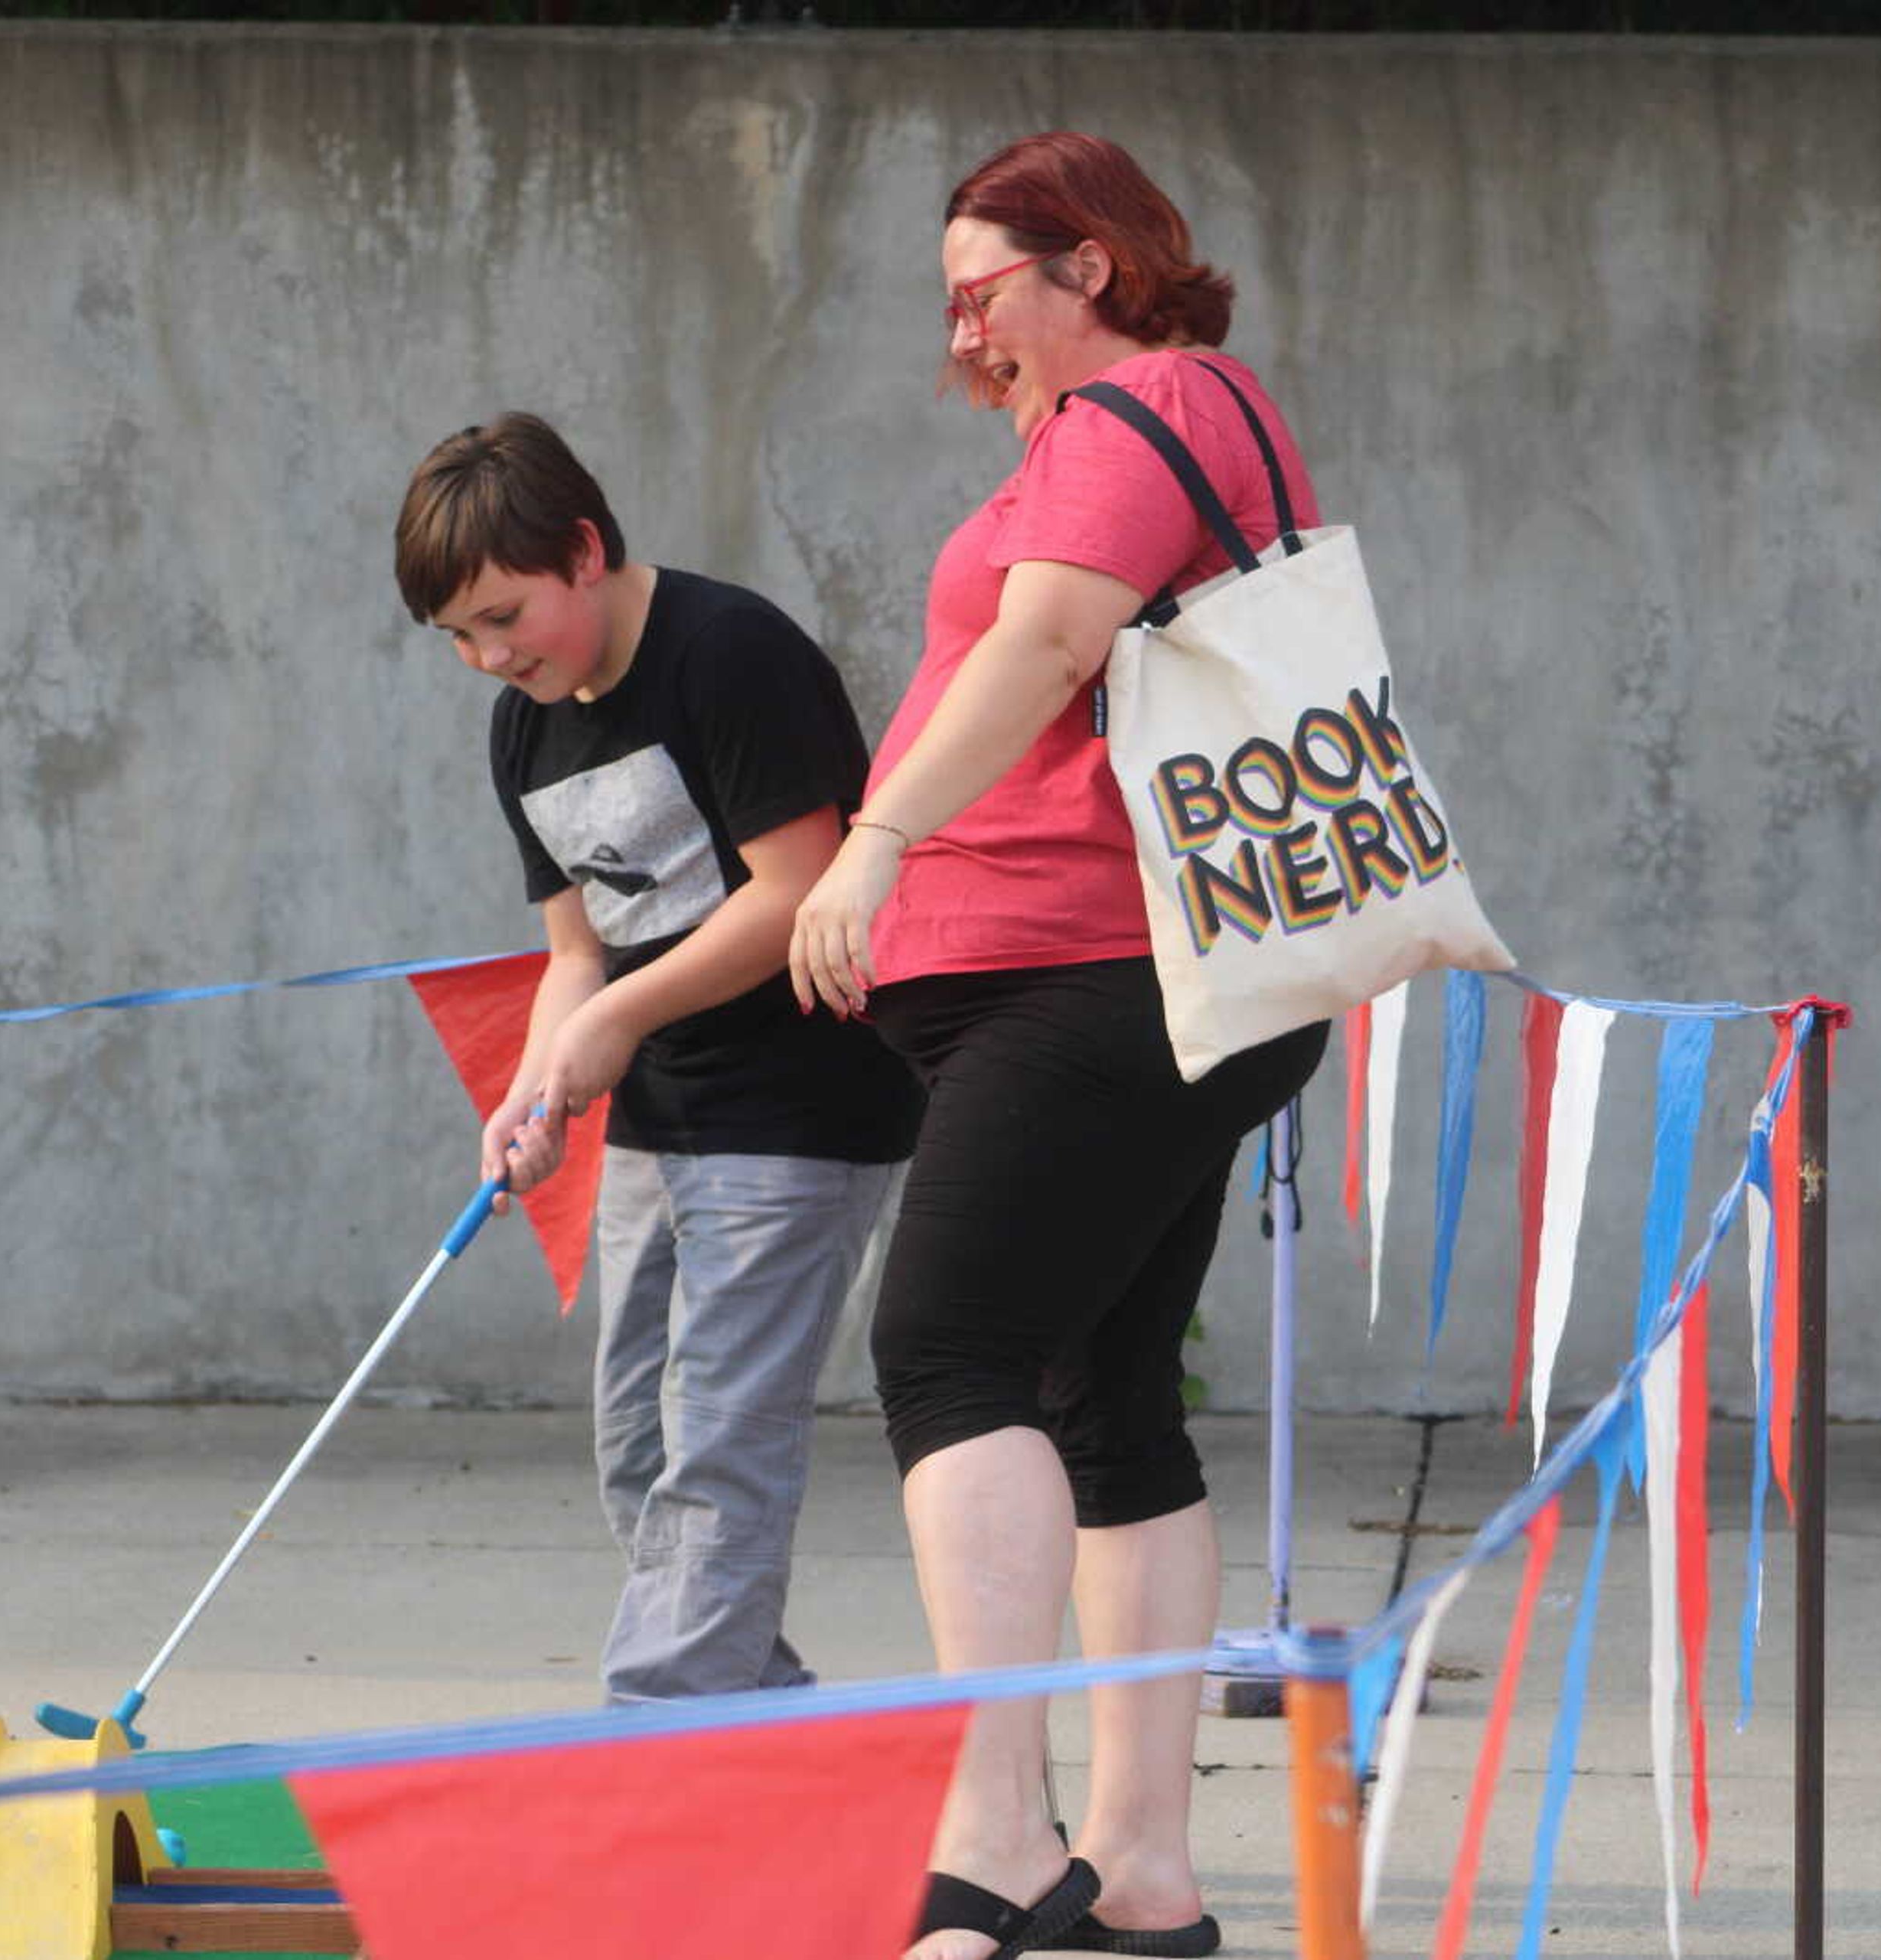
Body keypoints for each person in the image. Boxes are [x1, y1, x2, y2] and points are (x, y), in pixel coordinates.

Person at [786, 135, 1330, 1960]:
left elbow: (1043, 646)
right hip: (1109, 983)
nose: (964, 339)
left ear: (1087, 265)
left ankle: (996, 1834)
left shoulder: (1146, 409)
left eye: (983, 292)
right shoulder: (1128, 429)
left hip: (1091, 976)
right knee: (1104, 1406)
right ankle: (1143, 1869)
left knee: (947, 1358)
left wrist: (877, 840)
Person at [394, 413, 921, 1705]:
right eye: (458, 634)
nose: (486, 655)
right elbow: (578, 953)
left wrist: (619, 1022)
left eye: (504, 615)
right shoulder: (525, 728)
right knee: (640, 1447)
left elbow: (799, 887)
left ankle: (659, 1745)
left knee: (720, 1451)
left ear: (583, 550)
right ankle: (773, 1729)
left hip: (799, 1111)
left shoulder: (726, 654)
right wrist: (539, 1086)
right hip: (658, 1122)